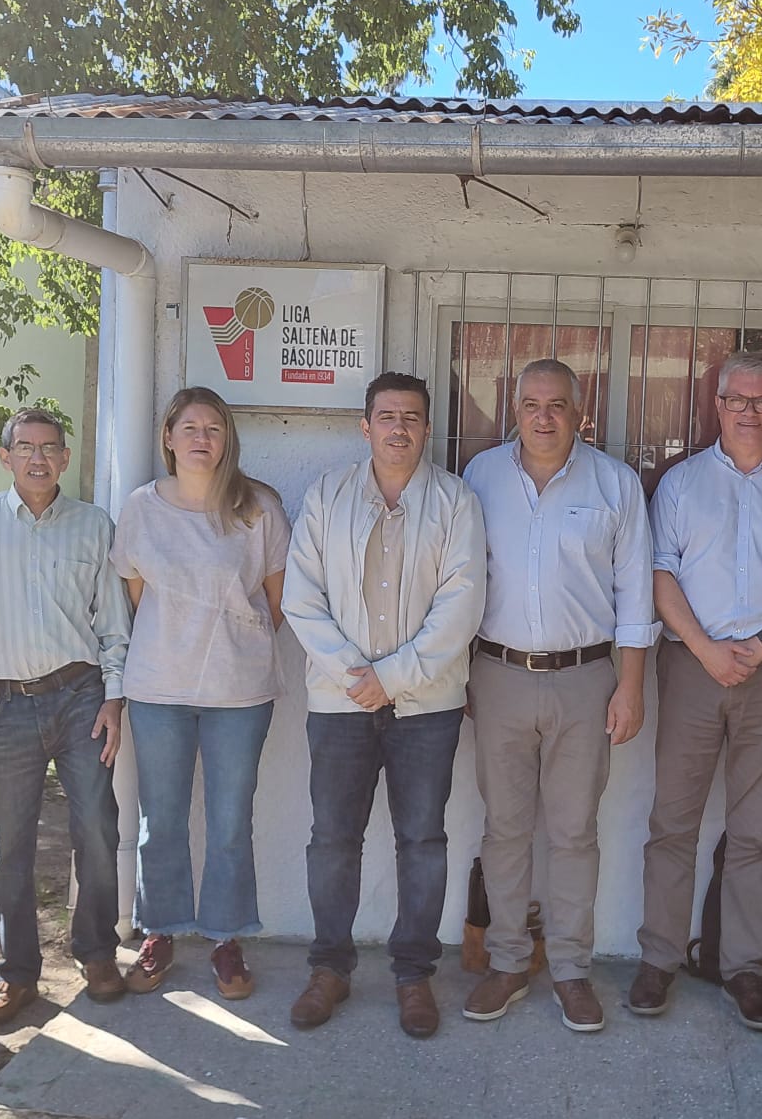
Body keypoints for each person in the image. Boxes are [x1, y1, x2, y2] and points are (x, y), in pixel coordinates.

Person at [630, 349, 762, 1032]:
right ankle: (659, 958)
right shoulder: (682, 484)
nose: (750, 411)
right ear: (717, 406)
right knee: (673, 822)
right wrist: (702, 648)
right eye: (737, 400)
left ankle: (744, 969)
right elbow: (659, 574)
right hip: (693, 668)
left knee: (754, 829)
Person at [282, 373, 486, 1038]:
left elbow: (463, 603)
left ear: (427, 428)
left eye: (413, 417)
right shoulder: (327, 496)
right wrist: (354, 675)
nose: (400, 427)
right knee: (332, 840)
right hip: (339, 703)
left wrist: (392, 677)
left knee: (422, 841)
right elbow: (300, 597)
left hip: (427, 705)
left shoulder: (456, 502)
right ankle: (330, 970)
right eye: (387, 415)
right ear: (364, 426)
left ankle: (413, 976)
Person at [462, 360, 654, 1034]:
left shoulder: (615, 484)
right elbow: (461, 579)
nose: (544, 417)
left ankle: (571, 970)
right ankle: (510, 961)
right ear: (513, 409)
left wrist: (630, 685)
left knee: (574, 832)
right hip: (499, 674)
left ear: (582, 412)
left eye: (558, 405)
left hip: (586, 679)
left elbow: (636, 595)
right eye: (531, 404)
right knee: (505, 829)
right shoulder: (481, 478)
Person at [0, 408, 133, 1028]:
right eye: (25, 447)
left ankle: (97, 953)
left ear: (65, 457)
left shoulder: (93, 526)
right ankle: (17, 974)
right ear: (4, 456)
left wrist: (113, 696)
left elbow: (112, 621)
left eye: (50, 448)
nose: (37, 458)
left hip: (80, 695)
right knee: (9, 847)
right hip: (1, 700)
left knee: (98, 832)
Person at [109, 387, 289, 1000]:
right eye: (189, 427)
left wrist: (230, 642)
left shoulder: (257, 506)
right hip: (159, 687)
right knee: (159, 819)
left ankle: (225, 938)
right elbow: (135, 596)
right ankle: (158, 930)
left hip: (239, 692)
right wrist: (178, 640)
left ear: (227, 438)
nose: (202, 438)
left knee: (230, 821)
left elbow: (276, 599)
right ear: (169, 437)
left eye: (214, 428)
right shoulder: (141, 508)